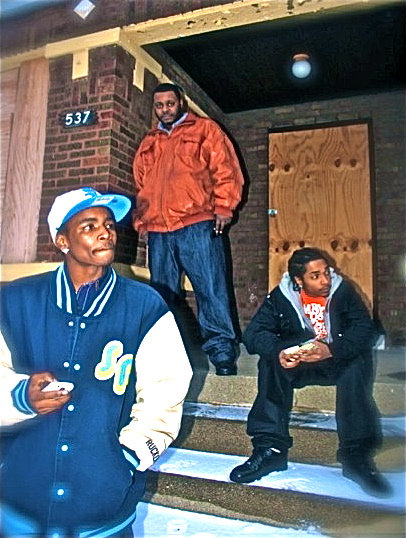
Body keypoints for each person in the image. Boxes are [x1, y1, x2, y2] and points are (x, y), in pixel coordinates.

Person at [0, 187, 193, 537]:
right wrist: (20, 396)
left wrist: (129, 456)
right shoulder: (14, 300)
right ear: (62, 241)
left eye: (109, 225)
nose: (106, 233)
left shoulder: (145, 305)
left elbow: (166, 388)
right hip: (16, 506)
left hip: (103, 513)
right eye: (89, 226)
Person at [229, 247, 392, 498]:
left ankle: (356, 456)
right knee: (269, 363)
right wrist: (280, 353)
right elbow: (254, 334)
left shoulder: (343, 291)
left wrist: (332, 350)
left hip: (334, 359)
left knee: (357, 363)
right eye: (315, 276)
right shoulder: (281, 297)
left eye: (326, 272)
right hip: (302, 362)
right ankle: (270, 450)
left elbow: (365, 330)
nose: (325, 280)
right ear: (298, 280)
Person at [132, 82, 244, 376]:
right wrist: (142, 219)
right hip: (159, 230)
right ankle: (163, 354)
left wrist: (224, 206)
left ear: (180, 102)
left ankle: (222, 353)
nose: (165, 110)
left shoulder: (205, 130)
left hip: (198, 223)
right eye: (159, 105)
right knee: (162, 295)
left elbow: (226, 168)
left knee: (211, 288)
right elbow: (142, 184)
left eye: (170, 104)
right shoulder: (149, 142)